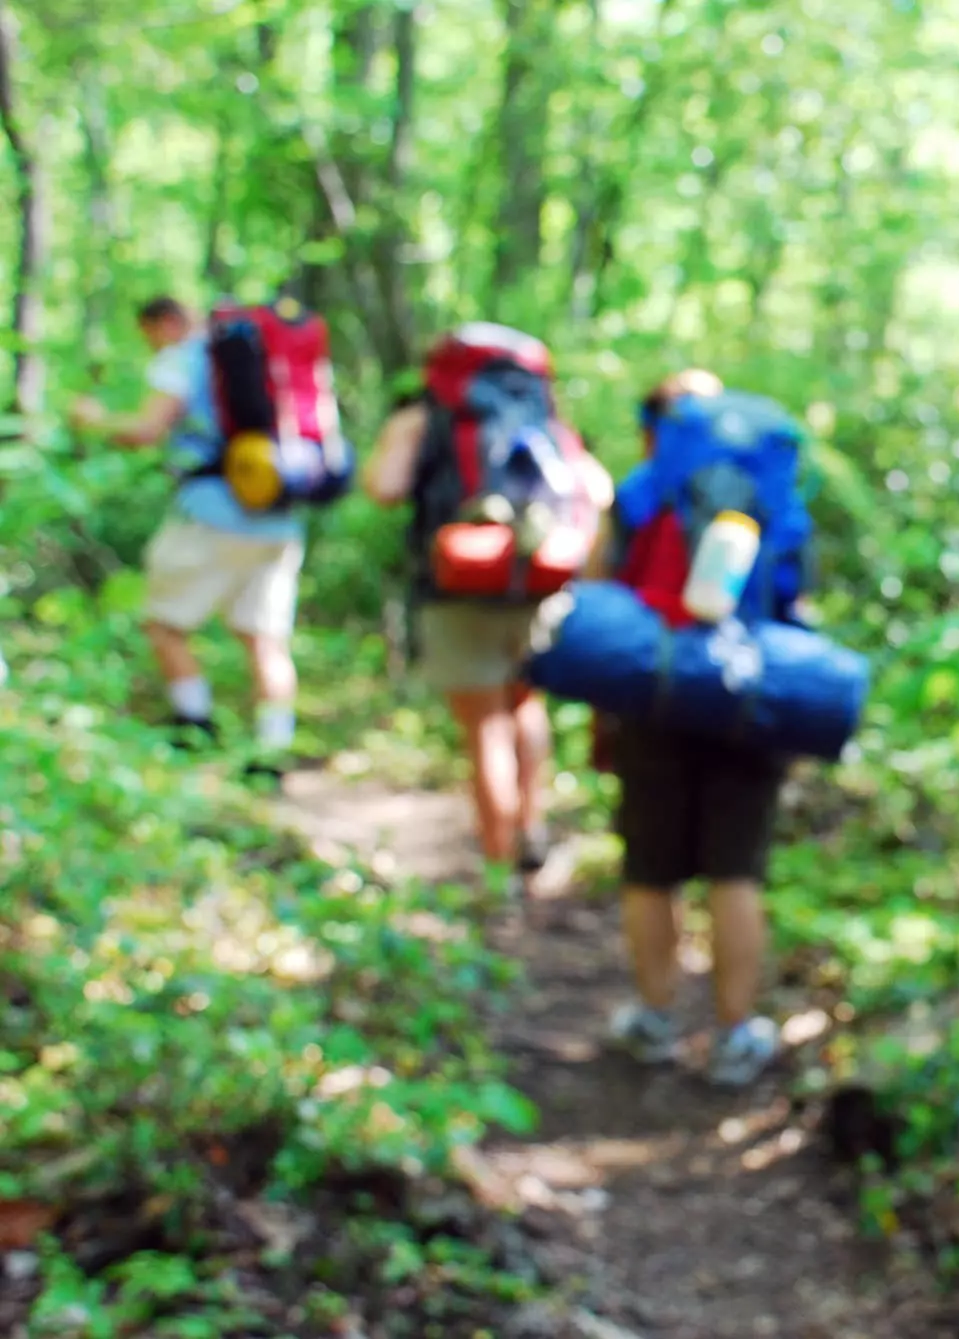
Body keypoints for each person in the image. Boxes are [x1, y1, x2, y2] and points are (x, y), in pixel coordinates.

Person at [597, 369, 810, 1087]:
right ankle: (732, 1035)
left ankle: (655, 1020)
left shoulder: (640, 489)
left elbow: (602, 592)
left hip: (653, 693)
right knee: (735, 869)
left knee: (651, 869)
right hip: (746, 695)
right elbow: (794, 599)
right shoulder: (771, 491)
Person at [362, 328, 612, 894]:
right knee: (525, 706)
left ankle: (498, 866)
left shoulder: (423, 419)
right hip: (539, 586)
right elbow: (597, 494)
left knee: (484, 729)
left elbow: (383, 486)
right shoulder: (547, 423)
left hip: (457, 587)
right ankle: (532, 828)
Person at [68, 296, 319, 769]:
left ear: (165, 323)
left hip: (211, 513)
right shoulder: (269, 360)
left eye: (149, 335)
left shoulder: (183, 358)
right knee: (265, 639)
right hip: (279, 514)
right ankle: (273, 750)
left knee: (163, 624)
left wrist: (93, 421)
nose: (150, 346)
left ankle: (193, 724)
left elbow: (146, 429)